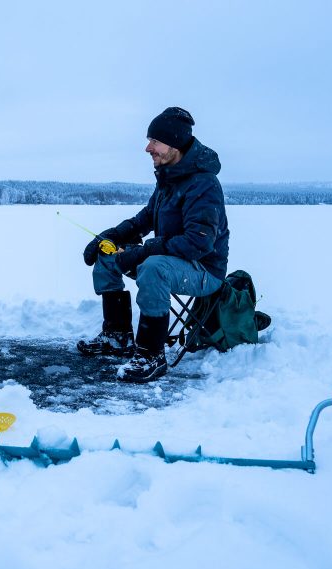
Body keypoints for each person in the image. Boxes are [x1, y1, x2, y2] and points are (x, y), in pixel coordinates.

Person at [77, 106, 229, 383]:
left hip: (204, 270)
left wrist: (143, 251)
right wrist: (112, 236)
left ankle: (151, 355)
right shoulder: (169, 178)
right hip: (172, 259)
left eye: (155, 141)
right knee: (108, 255)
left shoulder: (203, 184)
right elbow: (145, 219)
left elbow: (199, 243)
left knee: (153, 267)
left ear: (174, 144)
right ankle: (117, 336)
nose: (148, 148)